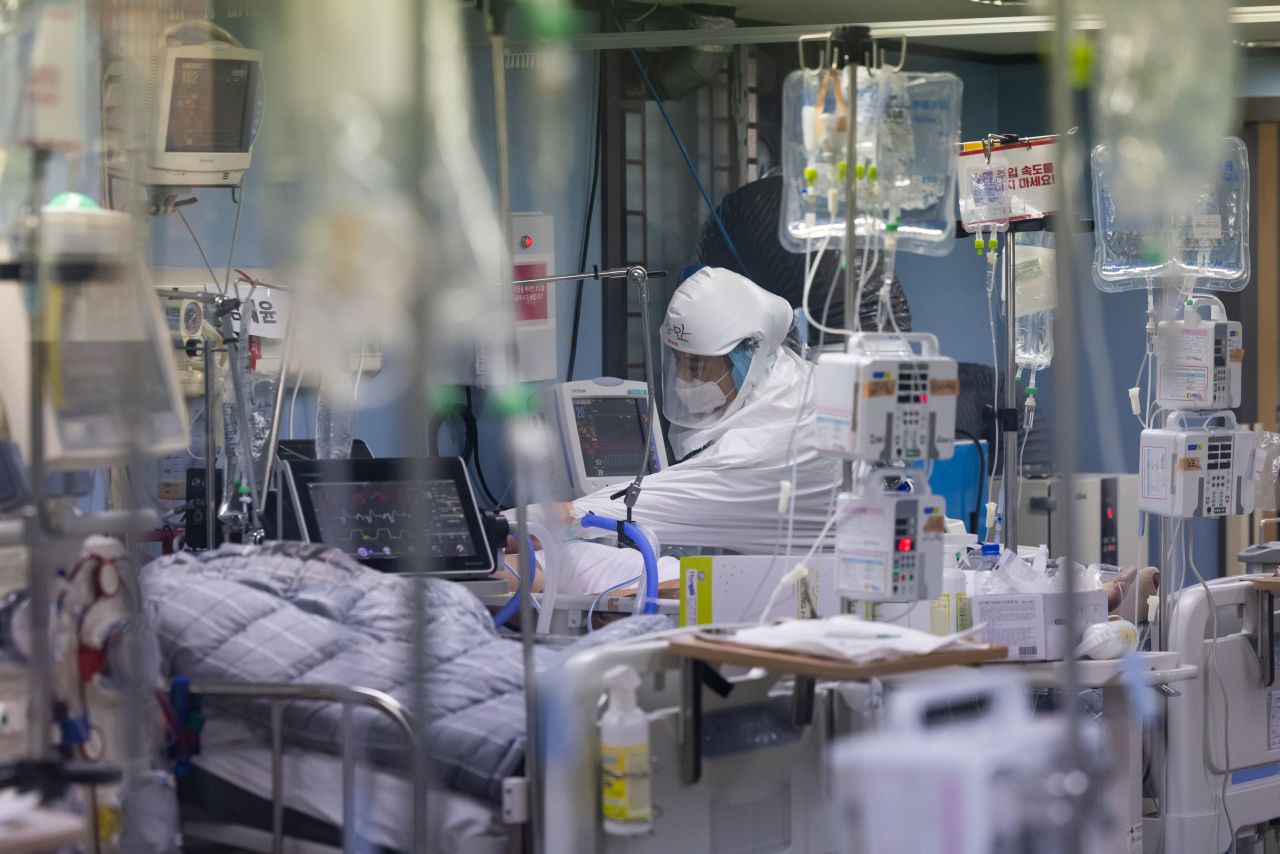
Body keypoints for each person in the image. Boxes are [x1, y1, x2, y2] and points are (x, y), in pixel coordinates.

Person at [497, 266, 843, 597]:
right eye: (677, 360)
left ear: (748, 353)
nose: (683, 379)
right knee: (577, 561)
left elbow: (589, 516)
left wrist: (478, 532)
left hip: (810, 598)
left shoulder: (773, 443)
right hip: (770, 576)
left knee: (572, 563)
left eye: (696, 365)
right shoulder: (787, 379)